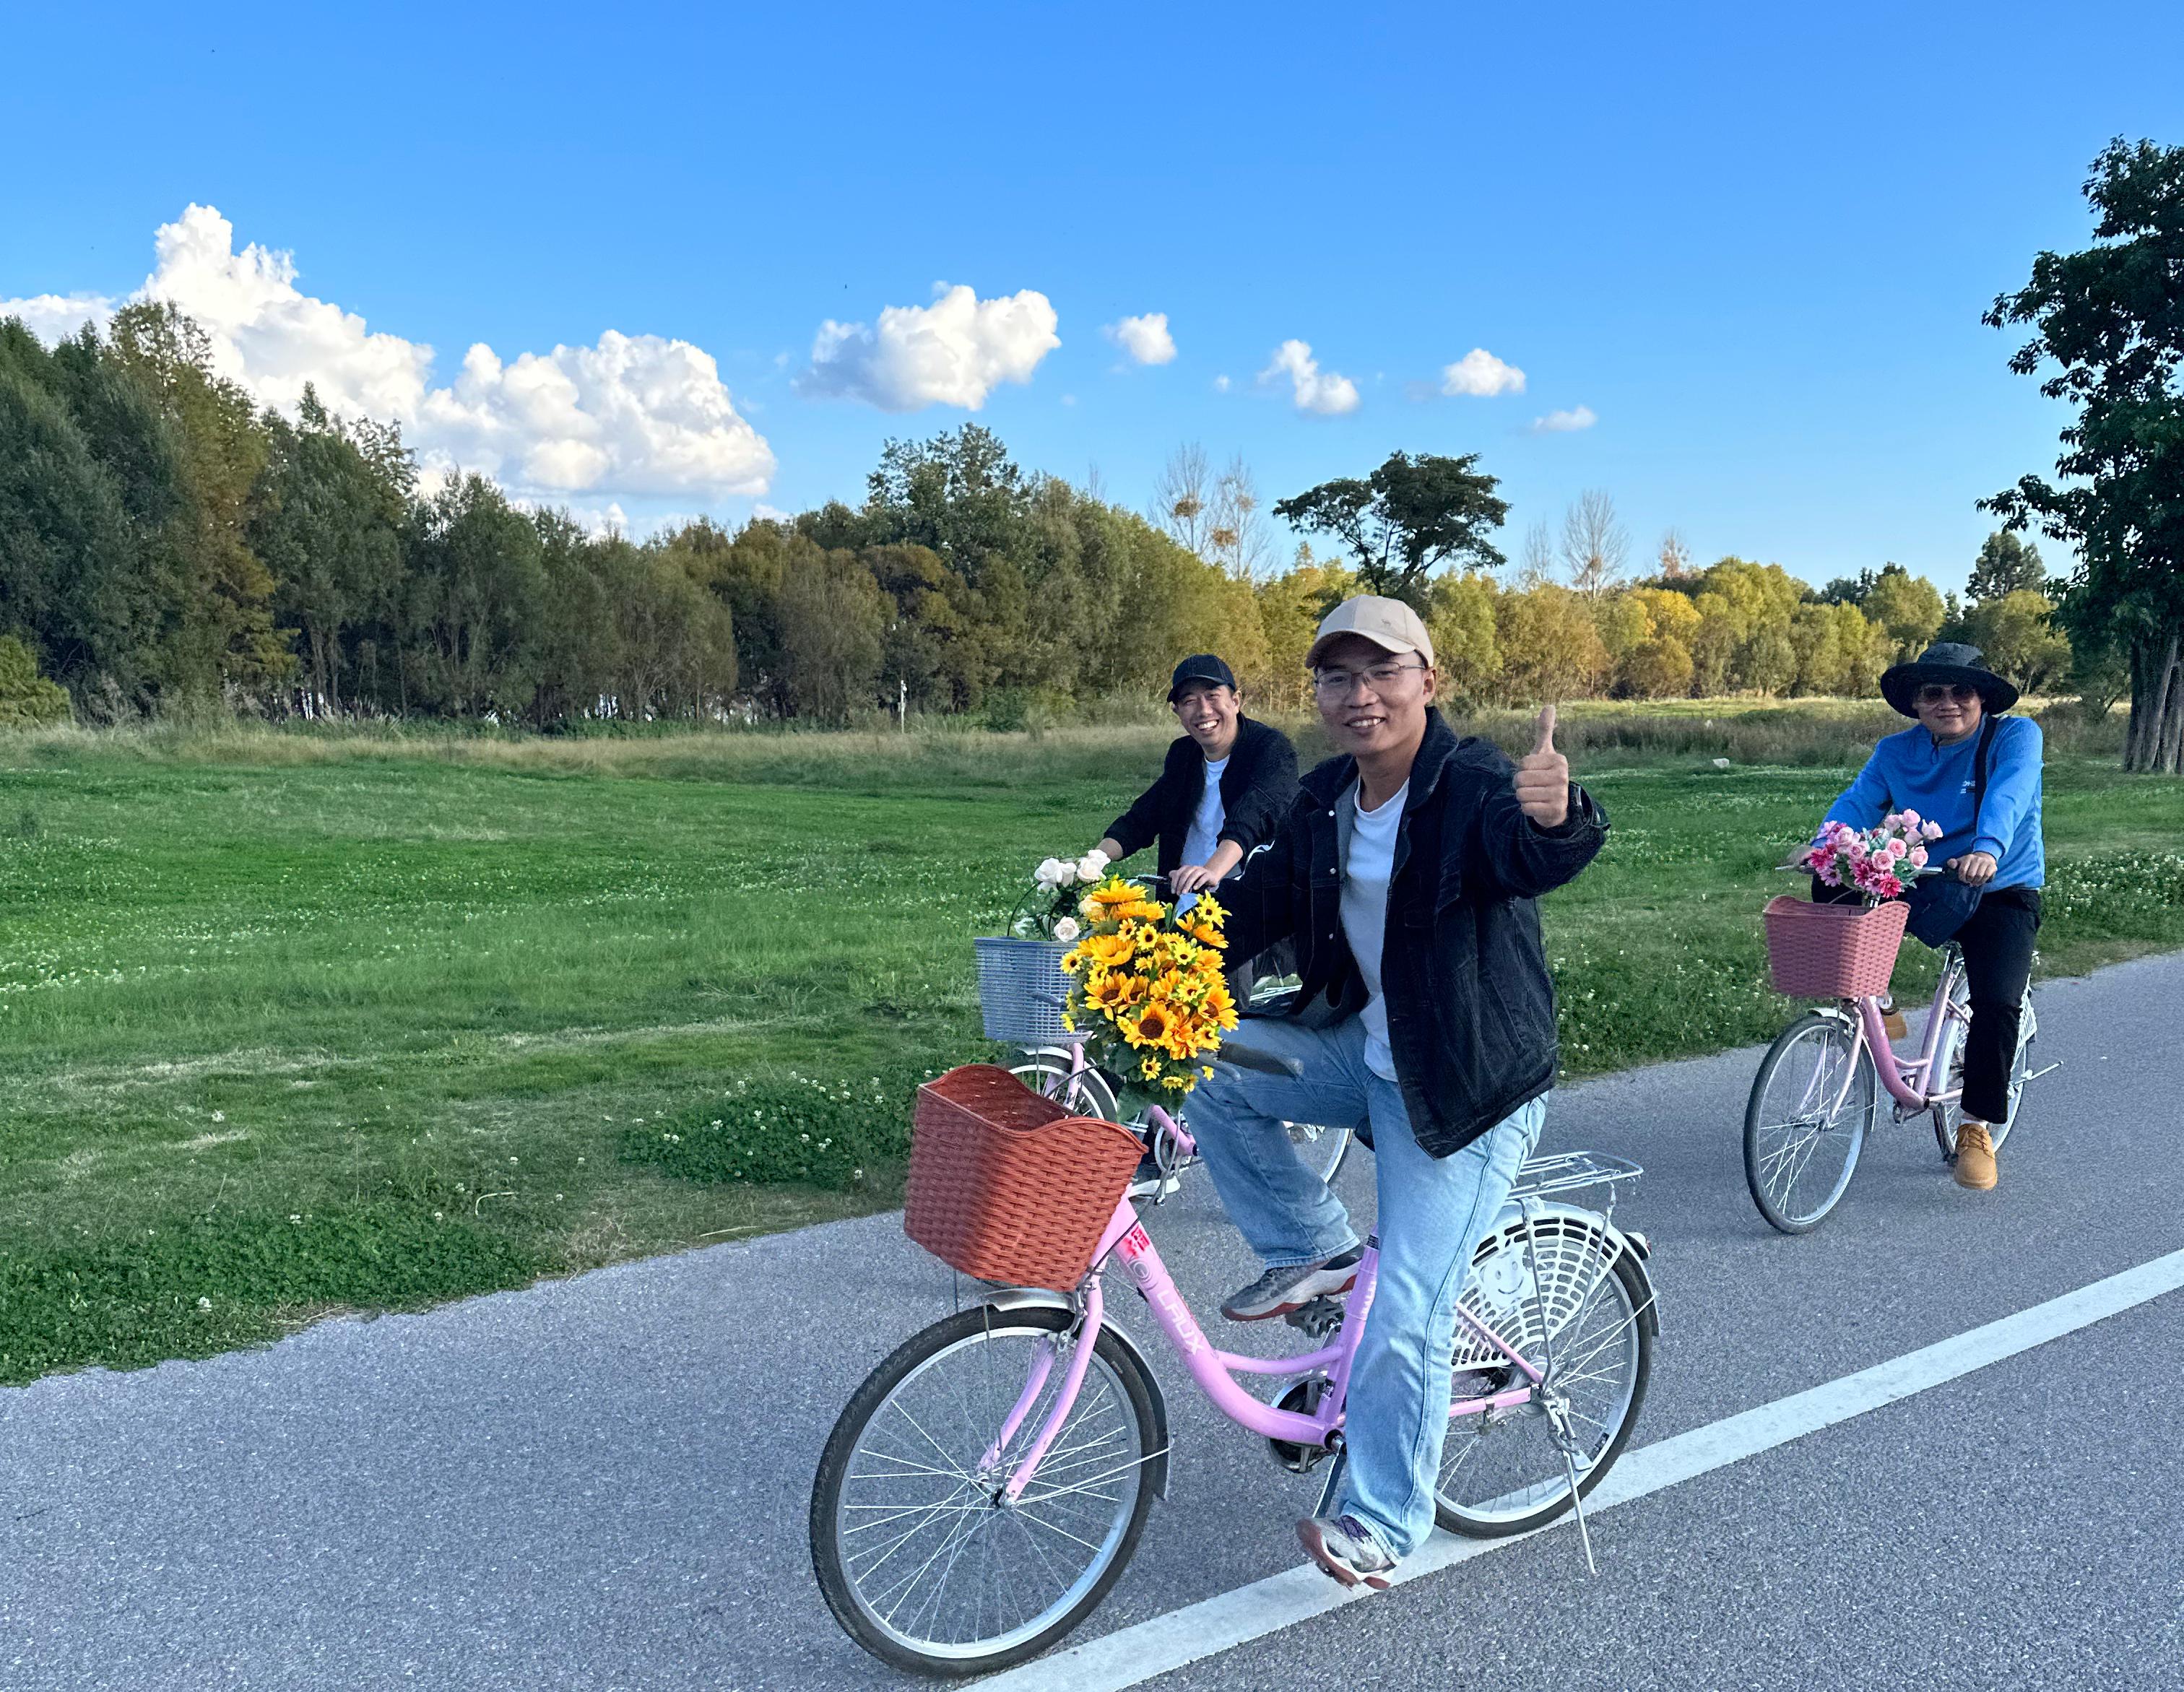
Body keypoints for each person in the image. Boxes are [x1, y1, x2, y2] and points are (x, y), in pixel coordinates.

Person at [1193, 595, 1608, 1591]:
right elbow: (1255, 907)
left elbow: (1526, 850)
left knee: (1410, 1305)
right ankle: (1315, 1250)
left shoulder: (1471, 784)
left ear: (1430, 680)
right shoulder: (1328, 797)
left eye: (1383, 671)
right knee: (1204, 1060)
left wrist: (1560, 817)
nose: (1361, 694)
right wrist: (1140, 955)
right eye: (1338, 676)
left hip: (1465, 1083)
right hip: (1369, 1054)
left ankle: (1381, 1520)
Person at [1819, 641, 2044, 1192]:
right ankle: (1876, 996)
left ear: (1982, 698)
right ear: (1916, 703)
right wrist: (1824, 844)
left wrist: (1988, 849)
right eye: (1933, 692)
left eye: (1962, 690)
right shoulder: (1895, 751)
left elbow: (2010, 795)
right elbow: (1857, 804)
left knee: (1997, 1000)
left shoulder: (2015, 737)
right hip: (1929, 877)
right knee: (1831, 880)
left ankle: (1976, 1127)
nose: (1949, 702)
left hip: (1998, 884)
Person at [1091, 654, 1299, 914]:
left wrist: (1211, 872)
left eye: (1213, 696)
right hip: (1184, 907)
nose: (1203, 710)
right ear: (1177, 712)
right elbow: (1143, 817)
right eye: (1189, 701)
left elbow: (1253, 815)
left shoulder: (1269, 748)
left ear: (1235, 701)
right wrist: (1091, 862)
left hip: (1251, 908)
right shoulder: (1183, 754)